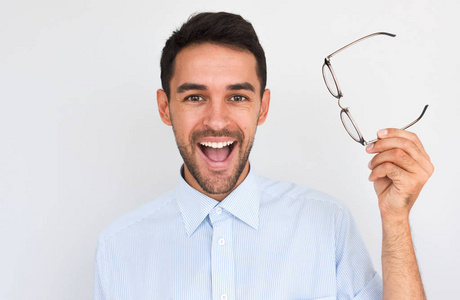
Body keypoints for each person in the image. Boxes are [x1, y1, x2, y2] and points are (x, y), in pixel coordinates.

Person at [93, 12, 433, 300]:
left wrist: (396, 219)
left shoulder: (328, 224)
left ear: (263, 107)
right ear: (166, 108)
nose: (216, 120)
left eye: (237, 97)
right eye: (195, 97)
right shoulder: (118, 247)